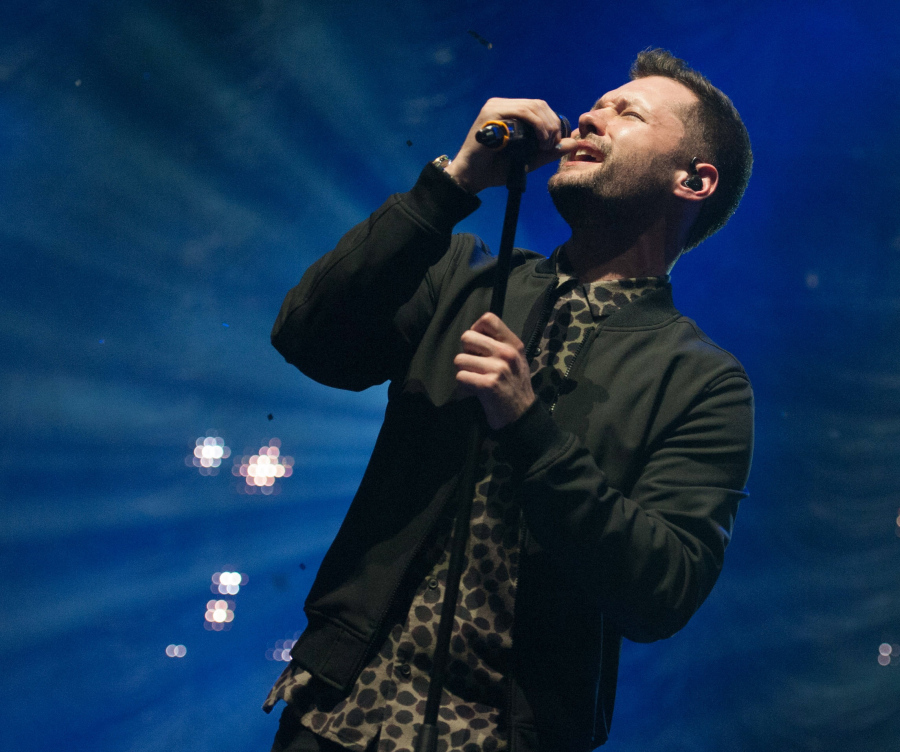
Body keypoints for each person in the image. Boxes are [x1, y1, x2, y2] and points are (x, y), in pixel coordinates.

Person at [264, 48, 754, 752]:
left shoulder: (702, 381)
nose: (590, 117)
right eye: (596, 105)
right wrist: (454, 183)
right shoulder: (461, 274)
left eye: (628, 113)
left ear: (695, 180)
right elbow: (307, 337)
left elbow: (662, 591)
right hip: (339, 710)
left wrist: (530, 427)